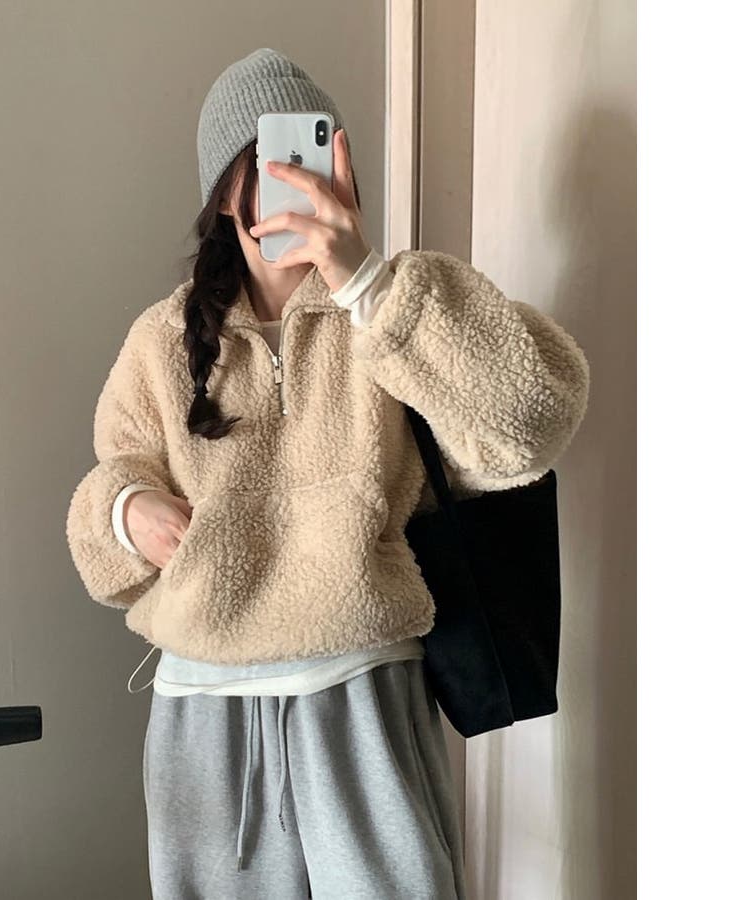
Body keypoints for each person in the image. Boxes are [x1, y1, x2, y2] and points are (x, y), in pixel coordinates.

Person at [65, 47, 590, 900]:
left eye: (310, 153)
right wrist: (128, 510)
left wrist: (369, 285)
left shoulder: (403, 299)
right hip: (205, 715)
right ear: (224, 193)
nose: (292, 181)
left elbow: (529, 426)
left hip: (364, 696)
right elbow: (106, 500)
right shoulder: (162, 340)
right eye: (265, 162)